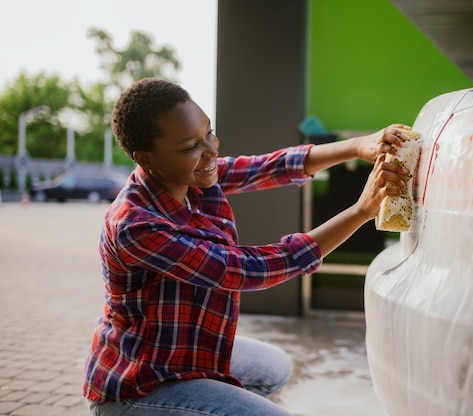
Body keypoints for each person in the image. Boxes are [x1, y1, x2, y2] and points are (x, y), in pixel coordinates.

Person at [83, 77, 412, 416]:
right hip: (137, 386)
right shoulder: (136, 225)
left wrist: (358, 146)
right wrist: (361, 211)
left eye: (208, 132)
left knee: (273, 369)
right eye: (190, 147)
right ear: (146, 158)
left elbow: (270, 167)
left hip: (176, 355)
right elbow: (243, 270)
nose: (210, 151)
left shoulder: (190, 177)